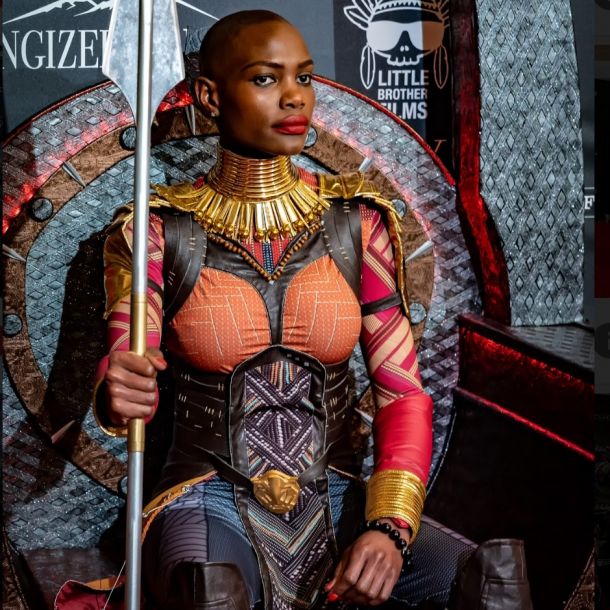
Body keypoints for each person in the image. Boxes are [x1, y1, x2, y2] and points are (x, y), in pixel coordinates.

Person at [94, 10, 434, 610]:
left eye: (304, 77)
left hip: (338, 493)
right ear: (210, 96)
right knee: (213, 590)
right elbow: (128, 359)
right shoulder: (155, 232)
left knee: (488, 573)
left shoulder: (361, 225)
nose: (293, 97)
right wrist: (117, 389)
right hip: (208, 497)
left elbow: (403, 395)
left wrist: (390, 527)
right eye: (264, 79)